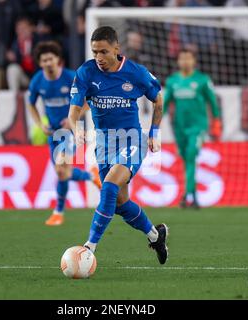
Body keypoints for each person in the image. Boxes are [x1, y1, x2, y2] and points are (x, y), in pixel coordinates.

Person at [68, 26, 168, 264]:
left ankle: (89, 247)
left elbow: (158, 99)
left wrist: (154, 132)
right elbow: (73, 112)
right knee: (121, 204)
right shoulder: (86, 72)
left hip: (131, 139)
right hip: (103, 143)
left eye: (104, 51)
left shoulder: (135, 72)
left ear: (116, 49)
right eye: (95, 52)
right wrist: (76, 127)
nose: (99, 58)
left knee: (110, 187)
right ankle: (156, 235)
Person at [27, 41, 102, 226]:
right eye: (44, 60)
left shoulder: (70, 77)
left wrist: (72, 119)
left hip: (69, 131)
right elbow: (30, 103)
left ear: (57, 60)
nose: (48, 63)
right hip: (52, 132)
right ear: (40, 62)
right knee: (63, 172)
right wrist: (39, 123)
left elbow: (89, 99)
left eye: (50, 59)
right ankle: (91, 176)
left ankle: (58, 211)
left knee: (61, 167)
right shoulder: (38, 80)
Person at [163, 47, 221, 209]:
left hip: (198, 127)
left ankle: (186, 196)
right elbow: (166, 103)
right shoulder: (173, 81)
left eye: (188, 58)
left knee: (190, 156)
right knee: (187, 159)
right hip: (179, 128)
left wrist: (216, 121)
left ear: (194, 61)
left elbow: (212, 102)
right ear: (178, 61)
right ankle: (193, 196)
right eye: (182, 58)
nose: (185, 61)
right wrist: (156, 121)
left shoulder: (202, 80)